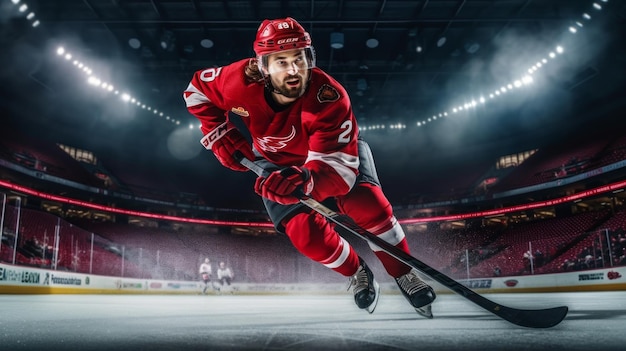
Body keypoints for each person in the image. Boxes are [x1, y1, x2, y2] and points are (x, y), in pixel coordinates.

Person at [183, 17, 436, 317]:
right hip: (275, 164)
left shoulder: (329, 96)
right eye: (281, 62)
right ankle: (358, 272)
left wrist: (305, 179)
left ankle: (402, 272)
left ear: (310, 58)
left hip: (332, 161)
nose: (293, 71)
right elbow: (196, 90)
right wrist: (218, 132)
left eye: (299, 58)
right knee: (305, 235)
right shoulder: (236, 81)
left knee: (370, 207)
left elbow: (339, 174)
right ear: (262, 66)